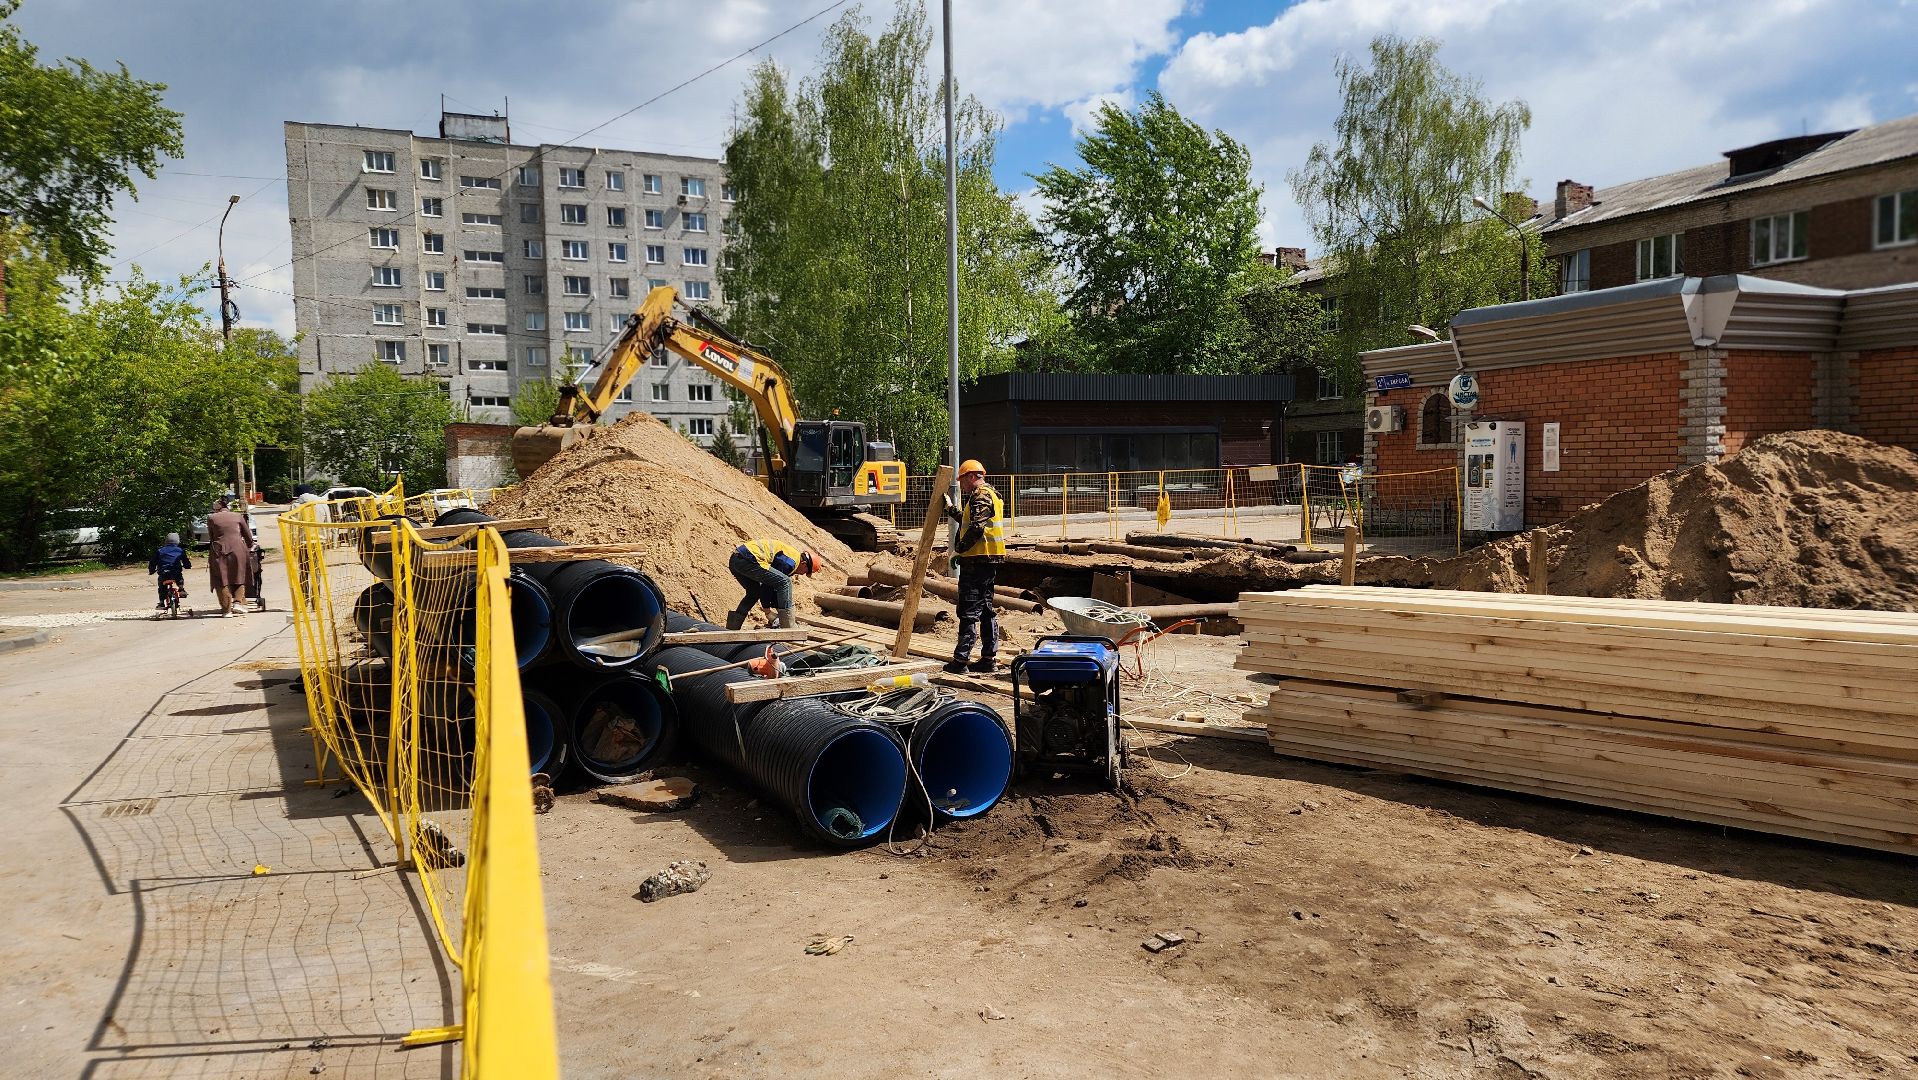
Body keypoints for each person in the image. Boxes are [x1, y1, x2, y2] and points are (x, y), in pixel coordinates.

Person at [942, 459, 1006, 674]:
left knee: (968, 609)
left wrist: (959, 549)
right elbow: (973, 520)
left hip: (978, 559)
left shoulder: (981, 495)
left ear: (971, 477)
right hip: (988, 559)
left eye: (962, 481)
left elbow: (976, 528)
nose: (961, 486)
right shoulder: (992, 494)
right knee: (986, 608)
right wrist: (952, 510)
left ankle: (961, 661)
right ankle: (988, 659)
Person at [727, 537, 817, 630]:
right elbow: (768, 586)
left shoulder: (790, 557)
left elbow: (773, 588)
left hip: (736, 559)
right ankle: (788, 627)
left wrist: (772, 609)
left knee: (753, 593)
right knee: (785, 582)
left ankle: (732, 628)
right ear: (803, 563)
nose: (803, 574)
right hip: (748, 559)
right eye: (806, 571)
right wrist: (768, 611)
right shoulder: (789, 562)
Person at [204, 495, 256, 618]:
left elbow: (212, 537)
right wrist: (250, 545)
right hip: (238, 549)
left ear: (218, 506)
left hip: (219, 550)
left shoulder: (211, 518)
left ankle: (226, 610)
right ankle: (238, 602)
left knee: (221, 578)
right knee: (239, 575)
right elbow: (247, 535)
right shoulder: (238, 516)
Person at [147, 532, 192, 610]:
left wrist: (151, 570)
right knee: (179, 578)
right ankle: (181, 589)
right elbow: (186, 561)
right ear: (178, 541)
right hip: (176, 573)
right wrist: (187, 566)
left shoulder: (160, 551)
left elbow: (153, 562)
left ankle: (161, 602)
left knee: (161, 586)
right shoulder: (180, 550)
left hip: (164, 573)